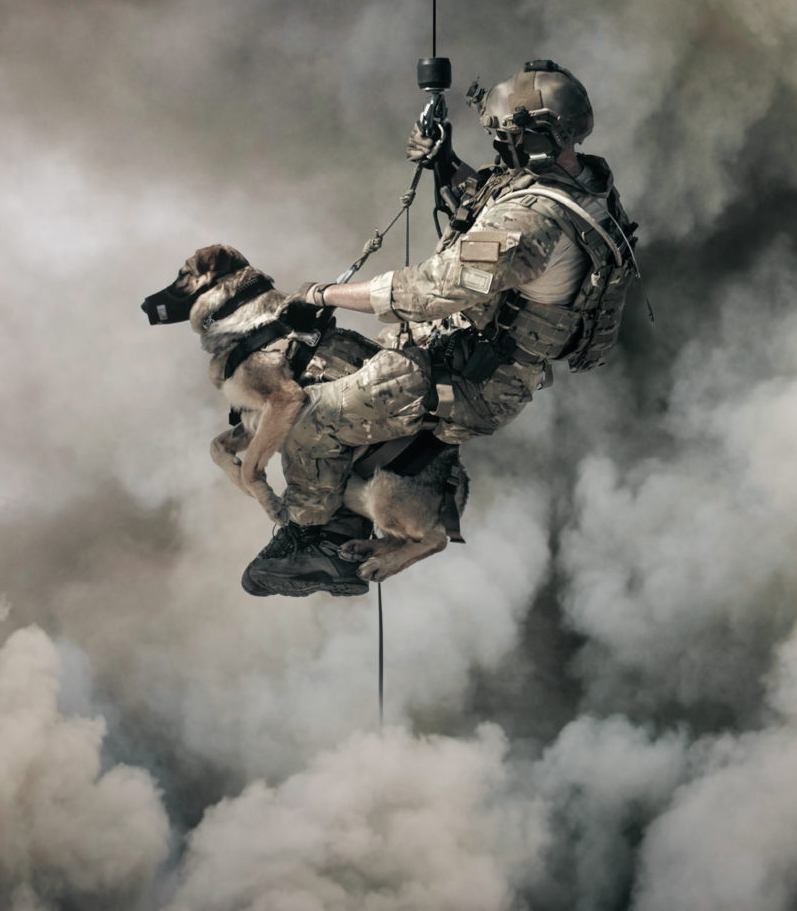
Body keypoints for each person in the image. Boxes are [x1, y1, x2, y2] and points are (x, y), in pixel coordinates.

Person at [242, 60, 642, 597]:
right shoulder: (587, 182)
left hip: (467, 380)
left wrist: (321, 296)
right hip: (475, 360)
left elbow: (429, 290)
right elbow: (498, 212)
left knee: (308, 423)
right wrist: (447, 163)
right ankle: (343, 516)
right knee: (324, 367)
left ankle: (311, 543)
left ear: (537, 139)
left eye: (507, 138)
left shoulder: (535, 221)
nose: (501, 149)